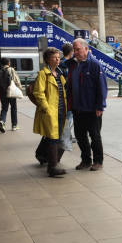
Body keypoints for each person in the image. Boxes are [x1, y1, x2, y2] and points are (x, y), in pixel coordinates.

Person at [69, 38, 107, 171]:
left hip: (92, 109)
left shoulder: (95, 64)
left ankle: (98, 161)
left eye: (78, 49)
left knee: (95, 136)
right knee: (80, 136)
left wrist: (100, 106)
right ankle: (86, 160)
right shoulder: (74, 65)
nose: (75, 52)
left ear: (86, 49)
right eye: (74, 49)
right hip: (77, 108)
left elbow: (102, 87)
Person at [32, 47, 67, 177]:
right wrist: (46, 108)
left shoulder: (59, 73)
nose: (57, 60)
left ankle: (45, 158)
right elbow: (38, 92)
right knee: (53, 137)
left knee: (57, 137)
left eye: (58, 57)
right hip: (51, 111)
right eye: (54, 57)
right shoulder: (43, 74)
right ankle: (52, 167)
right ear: (48, 59)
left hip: (61, 110)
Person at [0, 58, 23, 133]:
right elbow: (16, 80)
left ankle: (2, 121)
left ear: (1, 64)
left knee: (4, 108)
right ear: (9, 63)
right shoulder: (11, 70)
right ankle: (14, 125)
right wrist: (20, 88)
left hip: (2, 93)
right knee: (13, 108)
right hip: (11, 92)